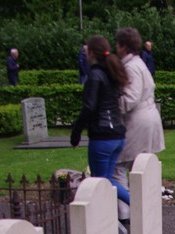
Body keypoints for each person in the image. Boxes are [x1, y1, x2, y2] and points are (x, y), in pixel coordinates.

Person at [70, 36, 130, 210]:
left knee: (101, 181)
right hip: (117, 134)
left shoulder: (95, 75)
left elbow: (89, 107)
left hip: (103, 136)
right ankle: (111, 215)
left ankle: (137, 204)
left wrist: (76, 132)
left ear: (90, 53)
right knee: (107, 180)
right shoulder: (111, 73)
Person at [113, 27, 165, 222]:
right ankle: (142, 207)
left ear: (123, 46)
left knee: (119, 164)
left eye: (118, 44)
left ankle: (125, 212)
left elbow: (131, 98)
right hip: (147, 117)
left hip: (137, 120)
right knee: (139, 166)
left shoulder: (131, 67)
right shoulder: (138, 63)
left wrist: (110, 106)